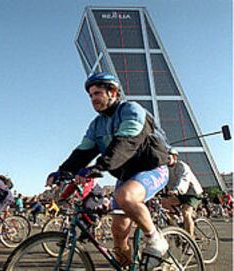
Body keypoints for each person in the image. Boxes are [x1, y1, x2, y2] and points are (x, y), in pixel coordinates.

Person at [46, 72, 170, 269]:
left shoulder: (131, 110)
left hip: (152, 168)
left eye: (97, 93)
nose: (93, 99)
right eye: (91, 96)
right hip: (126, 175)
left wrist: (99, 167)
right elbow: (82, 152)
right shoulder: (97, 125)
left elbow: (126, 142)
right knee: (119, 236)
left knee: (126, 196)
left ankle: (156, 241)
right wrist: (62, 171)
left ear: (112, 92)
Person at [161, 149, 203, 237]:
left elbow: (184, 179)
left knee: (186, 213)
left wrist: (177, 190)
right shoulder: (165, 168)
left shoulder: (182, 166)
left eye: (168, 158)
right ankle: (177, 222)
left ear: (175, 157)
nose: (166, 160)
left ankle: (191, 243)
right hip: (179, 194)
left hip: (192, 193)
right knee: (163, 203)